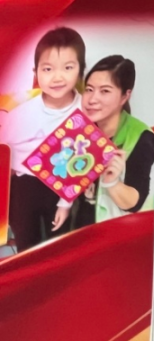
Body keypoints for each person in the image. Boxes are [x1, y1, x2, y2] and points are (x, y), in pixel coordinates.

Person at [1, 28, 85, 251]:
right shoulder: (22, 113)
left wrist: (65, 203)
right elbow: (5, 152)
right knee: (26, 246)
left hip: (61, 186)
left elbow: (82, 161)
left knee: (58, 246)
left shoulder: (84, 110)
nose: (57, 77)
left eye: (68, 67)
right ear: (36, 72)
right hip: (24, 187)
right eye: (48, 69)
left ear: (80, 69)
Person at [73, 56, 154, 227]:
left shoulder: (140, 136)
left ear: (124, 96)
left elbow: (135, 203)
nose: (92, 99)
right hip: (78, 229)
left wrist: (112, 183)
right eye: (89, 89)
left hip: (113, 232)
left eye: (105, 91)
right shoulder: (80, 129)